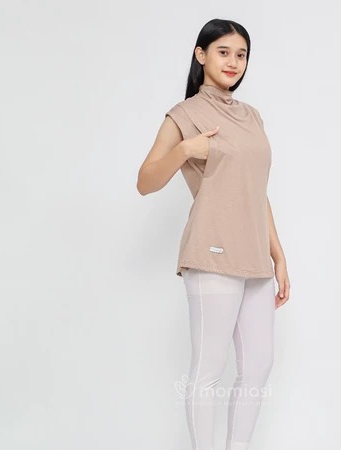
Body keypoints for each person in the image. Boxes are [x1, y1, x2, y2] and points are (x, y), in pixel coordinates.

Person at [137, 18, 290, 450]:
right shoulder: (184, 114)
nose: (233, 62)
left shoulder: (252, 117)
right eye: (223, 52)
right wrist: (186, 149)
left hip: (255, 256)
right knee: (209, 368)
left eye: (241, 54)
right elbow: (145, 181)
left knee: (258, 366)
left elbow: (256, 191)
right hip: (212, 250)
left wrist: (279, 255)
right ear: (201, 55)